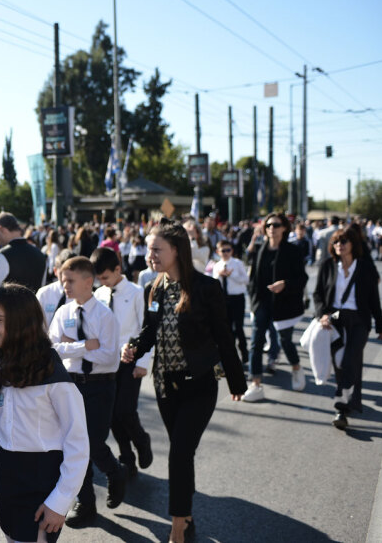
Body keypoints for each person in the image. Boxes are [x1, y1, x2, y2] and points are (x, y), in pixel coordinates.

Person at [121, 219, 246, 543]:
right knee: (182, 453)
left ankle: (177, 527)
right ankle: (187, 516)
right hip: (165, 387)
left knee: (178, 453)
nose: (150, 255)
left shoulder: (206, 288)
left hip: (199, 385)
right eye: (149, 249)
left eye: (156, 249)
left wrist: (236, 382)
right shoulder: (154, 288)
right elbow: (151, 331)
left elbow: (223, 337)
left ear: (176, 251)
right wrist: (133, 348)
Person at [0, 283, 89, 543]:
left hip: (40, 481)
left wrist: (60, 501)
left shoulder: (54, 378)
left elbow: (77, 444)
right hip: (7, 479)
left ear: (21, 322)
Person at [48, 256, 127, 527]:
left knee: (93, 442)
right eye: (62, 279)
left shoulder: (104, 315)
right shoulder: (63, 313)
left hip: (99, 385)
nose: (64, 285)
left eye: (69, 280)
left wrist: (72, 346)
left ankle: (115, 471)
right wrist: (83, 345)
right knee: (73, 445)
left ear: (87, 281)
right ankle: (86, 503)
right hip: (70, 384)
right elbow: (53, 348)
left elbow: (109, 357)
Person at [313, 227, 382, 429]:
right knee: (340, 363)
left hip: (359, 320)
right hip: (335, 318)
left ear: (353, 244)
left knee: (350, 359)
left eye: (344, 241)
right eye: (336, 242)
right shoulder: (328, 265)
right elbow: (318, 294)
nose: (339, 245)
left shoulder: (364, 268)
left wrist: (381, 326)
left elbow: (374, 300)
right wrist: (323, 315)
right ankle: (350, 401)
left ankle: (341, 406)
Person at [91, 247, 152, 477]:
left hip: (131, 361)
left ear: (118, 269)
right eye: (99, 279)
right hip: (106, 363)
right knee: (113, 416)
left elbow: (146, 328)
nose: (102, 282)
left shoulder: (137, 292)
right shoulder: (99, 295)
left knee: (126, 410)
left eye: (105, 277)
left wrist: (143, 361)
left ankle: (141, 440)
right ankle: (127, 459)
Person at [243, 213, 308, 402]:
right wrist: (254, 302)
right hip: (262, 303)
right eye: (269, 225)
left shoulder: (292, 251)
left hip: (284, 305)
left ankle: (296, 367)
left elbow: (302, 279)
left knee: (285, 341)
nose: (272, 228)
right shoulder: (259, 249)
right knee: (256, 342)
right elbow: (253, 279)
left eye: (276, 225)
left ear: (284, 228)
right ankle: (256, 383)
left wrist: (285, 284)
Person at [0, 212, 47, 295]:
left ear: (2, 229)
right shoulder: (39, 254)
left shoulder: (2, 255)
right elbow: (42, 289)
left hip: (7, 307)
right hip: (33, 306)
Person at [211, 240, 250, 363]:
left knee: (238, 327)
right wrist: (220, 275)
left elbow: (246, 280)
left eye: (228, 250)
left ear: (232, 251)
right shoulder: (217, 266)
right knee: (227, 329)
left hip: (237, 298)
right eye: (223, 251)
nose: (226, 253)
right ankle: (231, 355)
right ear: (218, 252)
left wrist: (230, 275)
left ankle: (244, 354)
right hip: (224, 299)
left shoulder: (237, 263)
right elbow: (214, 284)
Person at [36, 249, 76, 327]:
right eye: (62, 274)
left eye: (71, 274)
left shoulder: (82, 294)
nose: (66, 278)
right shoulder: (44, 293)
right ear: (55, 271)